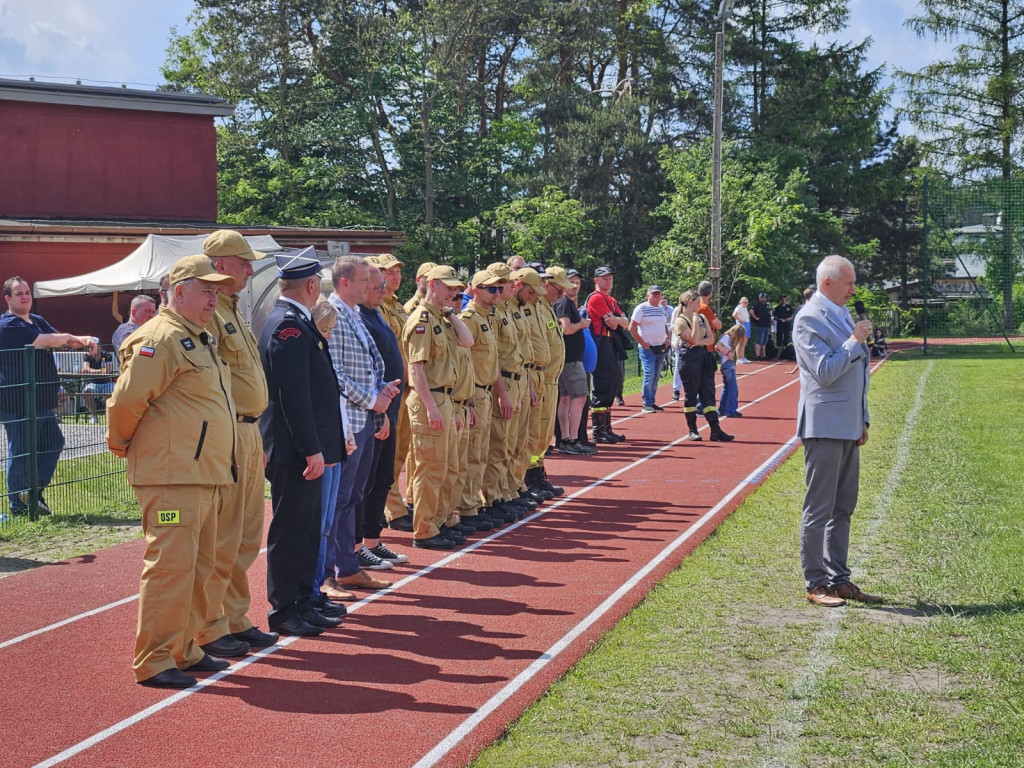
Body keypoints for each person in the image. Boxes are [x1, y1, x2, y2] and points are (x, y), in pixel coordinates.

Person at [106, 254, 238, 689]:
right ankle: (155, 658)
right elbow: (126, 402)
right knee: (170, 567)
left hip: (201, 473)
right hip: (171, 476)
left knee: (198, 568)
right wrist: (120, 443)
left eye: (217, 292)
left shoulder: (197, 337)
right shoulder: (159, 338)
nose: (213, 300)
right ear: (178, 292)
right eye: (206, 291)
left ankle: (183, 647)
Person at [194, 229, 279, 658]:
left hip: (248, 431)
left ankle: (235, 616)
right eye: (244, 262)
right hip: (227, 433)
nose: (250, 269)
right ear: (221, 265)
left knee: (246, 533)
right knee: (223, 536)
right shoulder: (209, 313)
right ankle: (211, 625)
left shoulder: (230, 308)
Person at [259, 250, 347, 637]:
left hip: (308, 447)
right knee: (292, 529)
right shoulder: (287, 327)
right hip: (295, 449)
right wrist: (312, 449)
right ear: (312, 285)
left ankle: (305, 599)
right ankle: (285, 609)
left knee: (308, 527)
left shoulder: (297, 322)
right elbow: (294, 396)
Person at [794, 254, 880, 607]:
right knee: (820, 508)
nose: (853, 289)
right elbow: (825, 372)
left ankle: (839, 578)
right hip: (824, 426)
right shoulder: (808, 319)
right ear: (826, 283)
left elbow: (857, 376)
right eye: (848, 283)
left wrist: (861, 419)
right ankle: (816, 582)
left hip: (846, 425)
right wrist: (854, 341)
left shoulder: (841, 313)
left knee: (843, 506)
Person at [324, 256, 399, 590]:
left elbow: (369, 365)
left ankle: (348, 565)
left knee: (354, 496)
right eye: (365, 281)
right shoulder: (333, 315)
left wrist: (380, 399)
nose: (372, 288)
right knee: (339, 500)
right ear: (345, 283)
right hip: (347, 422)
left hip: (365, 418)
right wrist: (373, 401)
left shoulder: (353, 313)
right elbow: (334, 374)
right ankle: (328, 573)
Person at [0, 276, 98, 517]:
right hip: (17, 400)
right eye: (19, 293)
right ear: (8, 299)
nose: (25, 297)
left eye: (27, 293)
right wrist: (67, 338)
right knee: (22, 450)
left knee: (53, 443)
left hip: (41, 398)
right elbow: (44, 341)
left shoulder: (37, 320)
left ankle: (32, 493)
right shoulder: (8, 324)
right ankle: (17, 506)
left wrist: (83, 339)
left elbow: (61, 341)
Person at [403, 265, 473, 549]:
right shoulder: (421, 320)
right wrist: (431, 408)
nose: (454, 293)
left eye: (457, 289)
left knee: (448, 467)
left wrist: (451, 312)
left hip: (446, 399)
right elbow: (416, 369)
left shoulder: (441, 318)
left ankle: (440, 520)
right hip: (429, 398)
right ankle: (424, 529)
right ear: (432, 285)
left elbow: (467, 341)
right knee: (430, 469)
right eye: (448, 288)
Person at [356, 265, 411, 561]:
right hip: (374, 410)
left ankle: (373, 540)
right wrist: (380, 410)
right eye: (377, 286)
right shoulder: (357, 317)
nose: (382, 291)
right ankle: (357, 548)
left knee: (383, 477)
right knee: (366, 481)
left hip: (391, 405)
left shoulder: (378, 312)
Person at [674, 290, 733, 443]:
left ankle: (715, 430)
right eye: (697, 301)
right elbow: (692, 339)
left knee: (708, 393)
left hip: (703, 357)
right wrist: (695, 325)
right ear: (690, 302)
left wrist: (699, 341)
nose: (700, 303)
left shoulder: (701, 317)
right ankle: (692, 429)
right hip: (689, 360)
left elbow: (710, 339)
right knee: (691, 395)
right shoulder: (681, 321)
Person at [585, 266, 628, 444]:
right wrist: (619, 320)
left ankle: (607, 429)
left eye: (610, 278)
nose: (608, 281)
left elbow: (625, 322)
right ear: (596, 280)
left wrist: (619, 320)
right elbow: (612, 323)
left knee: (612, 386)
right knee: (602, 386)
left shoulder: (610, 299)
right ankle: (598, 431)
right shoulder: (596, 298)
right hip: (602, 344)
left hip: (611, 344)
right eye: (604, 278)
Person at [552, 267, 592, 455]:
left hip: (569, 359)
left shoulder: (566, 304)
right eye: (571, 282)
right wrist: (582, 324)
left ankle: (567, 438)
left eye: (577, 283)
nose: (574, 286)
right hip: (570, 360)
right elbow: (565, 329)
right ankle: (572, 439)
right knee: (580, 397)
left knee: (567, 398)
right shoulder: (563, 303)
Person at [629, 285, 671, 413]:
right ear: (648, 295)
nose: (657, 296)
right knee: (650, 373)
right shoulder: (641, 308)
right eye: (654, 294)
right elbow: (632, 328)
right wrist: (642, 342)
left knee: (657, 374)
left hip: (660, 346)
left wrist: (668, 338)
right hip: (647, 347)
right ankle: (647, 402)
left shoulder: (661, 309)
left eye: (659, 294)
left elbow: (665, 325)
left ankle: (652, 400)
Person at [716, 324, 747, 418]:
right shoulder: (726, 337)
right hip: (727, 364)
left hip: (729, 364)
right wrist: (728, 353)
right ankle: (731, 410)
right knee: (733, 389)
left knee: (727, 387)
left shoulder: (730, 339)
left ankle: (722, 409)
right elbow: (717, 346)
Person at [80, 346, 115, 423]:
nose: (94, 349)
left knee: (112, 391)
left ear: (100, 347)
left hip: (106, 382)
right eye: (91, 347)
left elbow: (108, 370)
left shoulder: (107, 354)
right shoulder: (87, 355)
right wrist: (101, 371)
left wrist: (91, 371)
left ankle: (109, 416)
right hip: (92, 383)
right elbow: (86, 369)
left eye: (96, 347)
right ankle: (93, 416)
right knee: (87, 392)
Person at [749, 292, 772, 361]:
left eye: (765, 297)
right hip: (760, 325)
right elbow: (751, 311)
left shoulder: (765, 305)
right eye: (763, 297)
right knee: (759, 340)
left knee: (764, 341)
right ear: (760, 298)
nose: (765, 299)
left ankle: (763, 355)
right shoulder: (757, 305)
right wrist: (756, 318)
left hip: (766, 325)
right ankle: (758, 355)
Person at [731, 297, 751, 363]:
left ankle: (743, 357)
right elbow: (734, 315)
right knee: (739, 341)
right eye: (745, 302)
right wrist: (740, 320)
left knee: (744, 342)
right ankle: (738, 358)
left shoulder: (745, 308)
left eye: (747, 302)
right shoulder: (738, 307)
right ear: (741, 302)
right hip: (742, 325)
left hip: (747, 324)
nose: (746, 304)